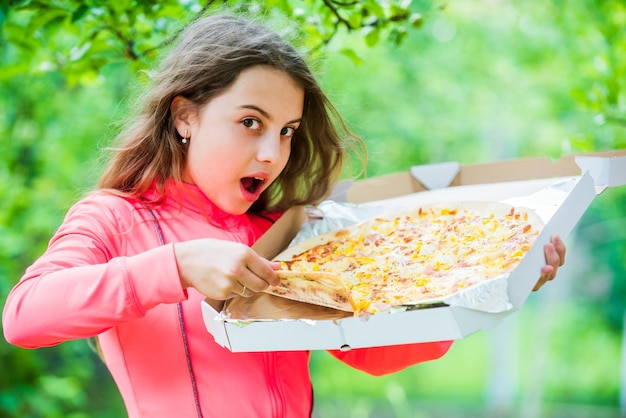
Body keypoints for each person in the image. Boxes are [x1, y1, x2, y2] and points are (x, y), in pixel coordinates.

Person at [2, 14, 566, 418]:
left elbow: (371, 348)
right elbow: (24, 317)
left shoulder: (281, 236)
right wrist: (175, 266)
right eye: (250, 122)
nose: (273, 154)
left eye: (287, 132)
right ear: (185, 117)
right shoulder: (115, 219)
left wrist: (503, 278)